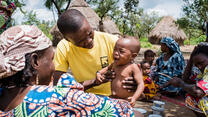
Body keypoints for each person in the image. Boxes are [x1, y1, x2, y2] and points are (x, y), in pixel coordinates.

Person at [0, 25, 137, 116]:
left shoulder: (4, 93)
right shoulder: (58, 99)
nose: (54, 66)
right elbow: (125, 112)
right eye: (51, 59)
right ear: (35, 61)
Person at [54, 9, 136, 96]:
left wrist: (132, 81)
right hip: (83, 97)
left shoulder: (113, 42)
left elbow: (132, 69)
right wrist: (94, 82)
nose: (89, 41)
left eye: (90, 33)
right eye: (81, 41)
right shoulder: (64, 47)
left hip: (113, 97)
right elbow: (59, 86)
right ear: (68, 39)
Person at [96, 37, 144, 107]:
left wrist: (134, 98)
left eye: (121, 51)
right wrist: (98, 73)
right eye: (115, 49)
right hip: (112, 97)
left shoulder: (133, 67)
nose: (115, 53)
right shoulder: (114, 64)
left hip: (126, 100)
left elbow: (141, 84)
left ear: (133, 56)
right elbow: (106, 68)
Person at [170, 42, 208, 117]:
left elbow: (198, 92)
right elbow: (186, 80)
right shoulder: (203, 71)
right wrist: (191, 59)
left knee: (192, 94)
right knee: (188, 90)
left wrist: (180, 83)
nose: (199, 67)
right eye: (196, 65)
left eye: (201, 63)